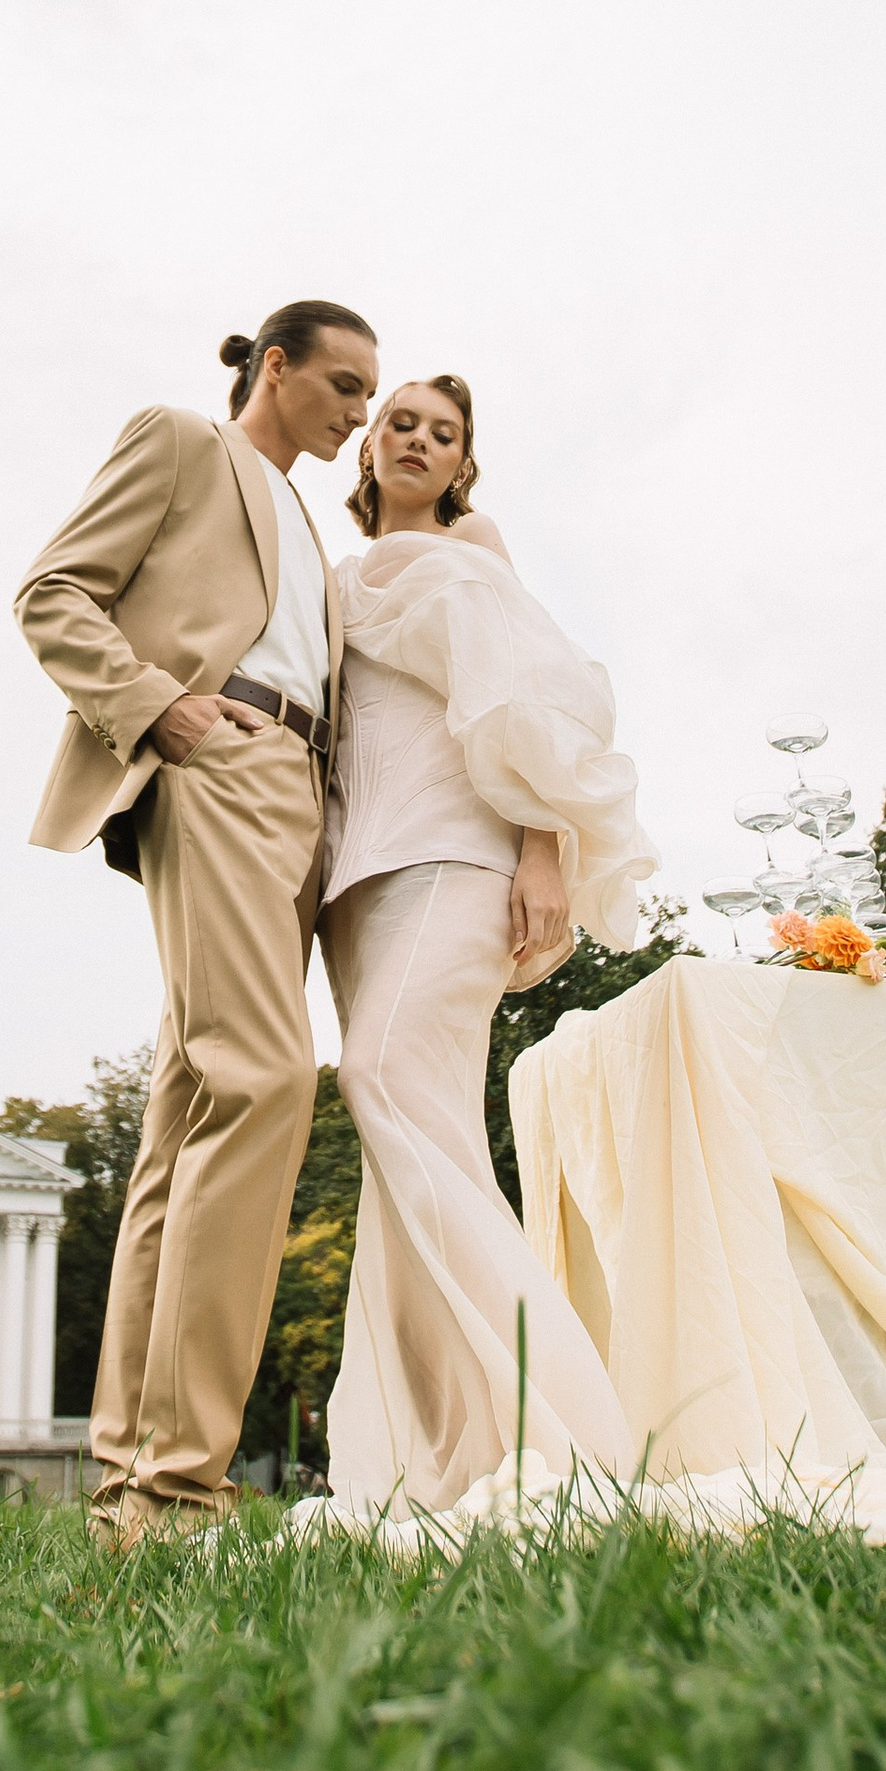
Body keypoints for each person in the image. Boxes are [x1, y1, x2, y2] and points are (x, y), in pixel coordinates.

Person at [17, 301, 379, 1543]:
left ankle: (129, 1478)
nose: (359, 412)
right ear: (271, 367)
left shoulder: (313, 532)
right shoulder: (180, 441)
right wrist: (156, 707)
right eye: (341, 382)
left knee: (188, 1116)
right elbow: (55, 592)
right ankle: (182, 1486)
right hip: (212, 756)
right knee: (269, 1077)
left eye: (369, 395)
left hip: (300, 796)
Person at [314, 373, 656, 1523]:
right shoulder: (337, 576)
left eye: (443, 433)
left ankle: (562, 1431)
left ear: (462, 466)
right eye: (399, 423)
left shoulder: (474, 551)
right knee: (414, 1144)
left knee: (379, 1082)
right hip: (357, 879)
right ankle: (447, 1457)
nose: (417, 440)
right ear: (366, 447)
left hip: (460, 854)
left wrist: (544, 848)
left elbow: (523, 701)